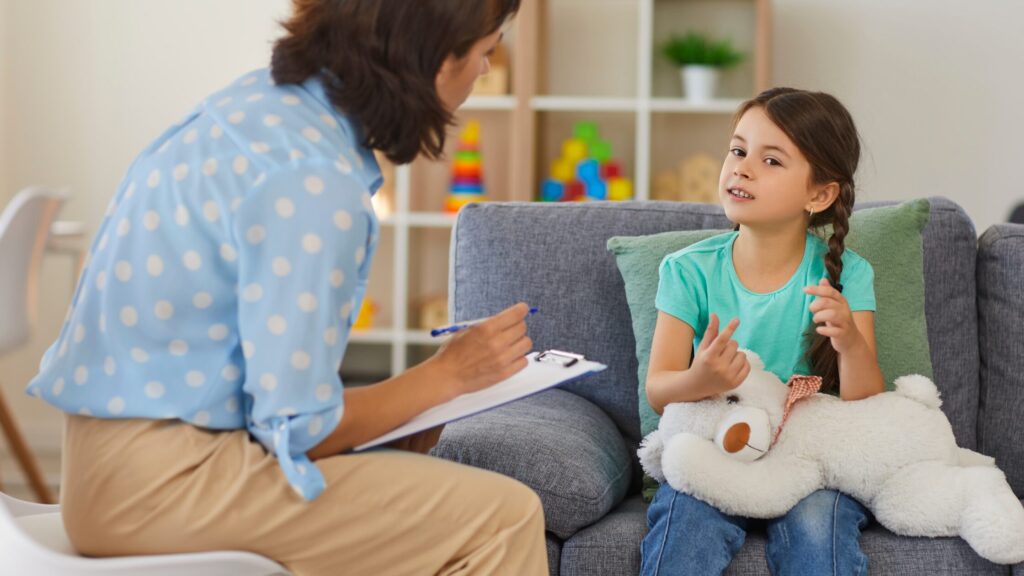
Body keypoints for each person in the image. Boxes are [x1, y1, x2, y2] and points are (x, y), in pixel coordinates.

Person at [26, 1, 549, 574]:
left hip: (114, 470)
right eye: (485, 52)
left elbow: (268, 405)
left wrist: (419, 402)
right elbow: (301, 427)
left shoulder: (259, 111)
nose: (482, 71)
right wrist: (447, 376)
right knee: (504, 516)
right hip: (162, 484)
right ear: (436, 53)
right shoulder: (312, 180)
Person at [640, 88, 885, 576]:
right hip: (716, 451)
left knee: (820, 524)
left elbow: (867, 404)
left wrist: (850, 344)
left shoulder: (848, 276)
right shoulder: (688, 271)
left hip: (809, 463)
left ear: (819, 194)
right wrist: (702, 379)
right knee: (685, 520)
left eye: (771, 160)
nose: (742, 168)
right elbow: (659, 390)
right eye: (738, 150)